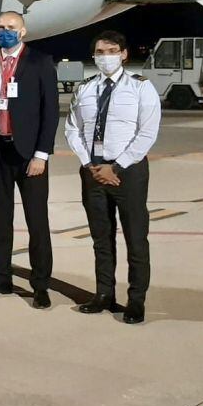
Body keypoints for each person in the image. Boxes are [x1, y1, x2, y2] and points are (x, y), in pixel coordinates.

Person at [64, 30, 160, 324]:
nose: (105, 56)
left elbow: (147, 132)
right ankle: (104, 294)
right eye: (100, 52)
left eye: (111, 50)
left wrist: (116, 167)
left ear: (124, 54)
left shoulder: (141, 88)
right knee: (101, 238)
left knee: (135, 238)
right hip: (93, 171)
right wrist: (88, 163)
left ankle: (136, 300)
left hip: (128, 173)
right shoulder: (85, 89)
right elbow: (72, 129)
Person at [0, 12, 59, 308]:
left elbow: (50, 112)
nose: (4, 32)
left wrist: (41, 154)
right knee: (1, 218)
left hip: (29, 154)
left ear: (23, 31)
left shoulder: (40, 62)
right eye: (0, 28)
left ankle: (40, 285)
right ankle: (1, 278)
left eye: (10, 28)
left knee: (37, 221)